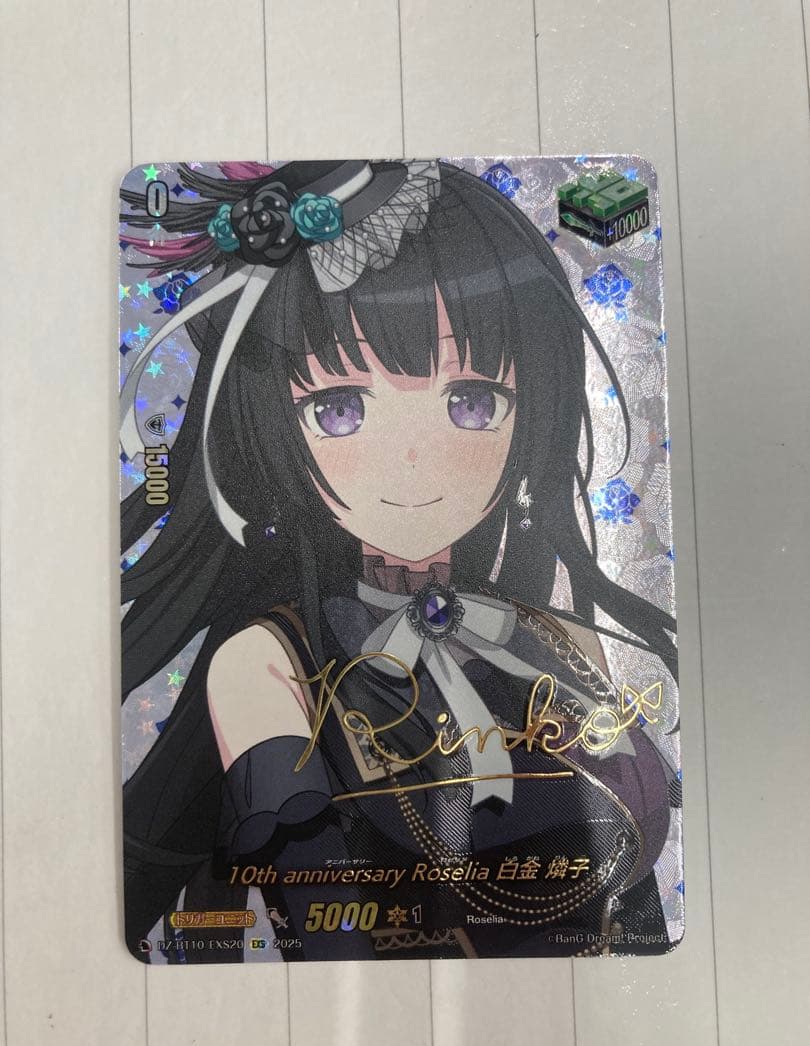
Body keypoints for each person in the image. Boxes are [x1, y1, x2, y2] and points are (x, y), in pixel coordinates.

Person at [120, 159, 679, 961]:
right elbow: (328, 931)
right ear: (273, 428)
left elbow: (637, 907)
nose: (412, 464)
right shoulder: (267, 666)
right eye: (338, 409)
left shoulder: (563, 641)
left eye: (473, 402)